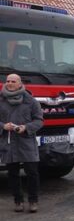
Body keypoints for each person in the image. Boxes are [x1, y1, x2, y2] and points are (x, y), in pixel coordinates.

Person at [0, 74, 43, 213]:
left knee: (32, 173)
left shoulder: (30, 101)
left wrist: (26, 128)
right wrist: (2, 126)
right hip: (9, 142)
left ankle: (33, 201)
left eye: (13, 81)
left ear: (20, 84)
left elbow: (39, 121)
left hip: (26, 141)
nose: (10, 83)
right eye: (8, 81)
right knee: (12, 173)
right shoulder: (1, 100)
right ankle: (18, 201)